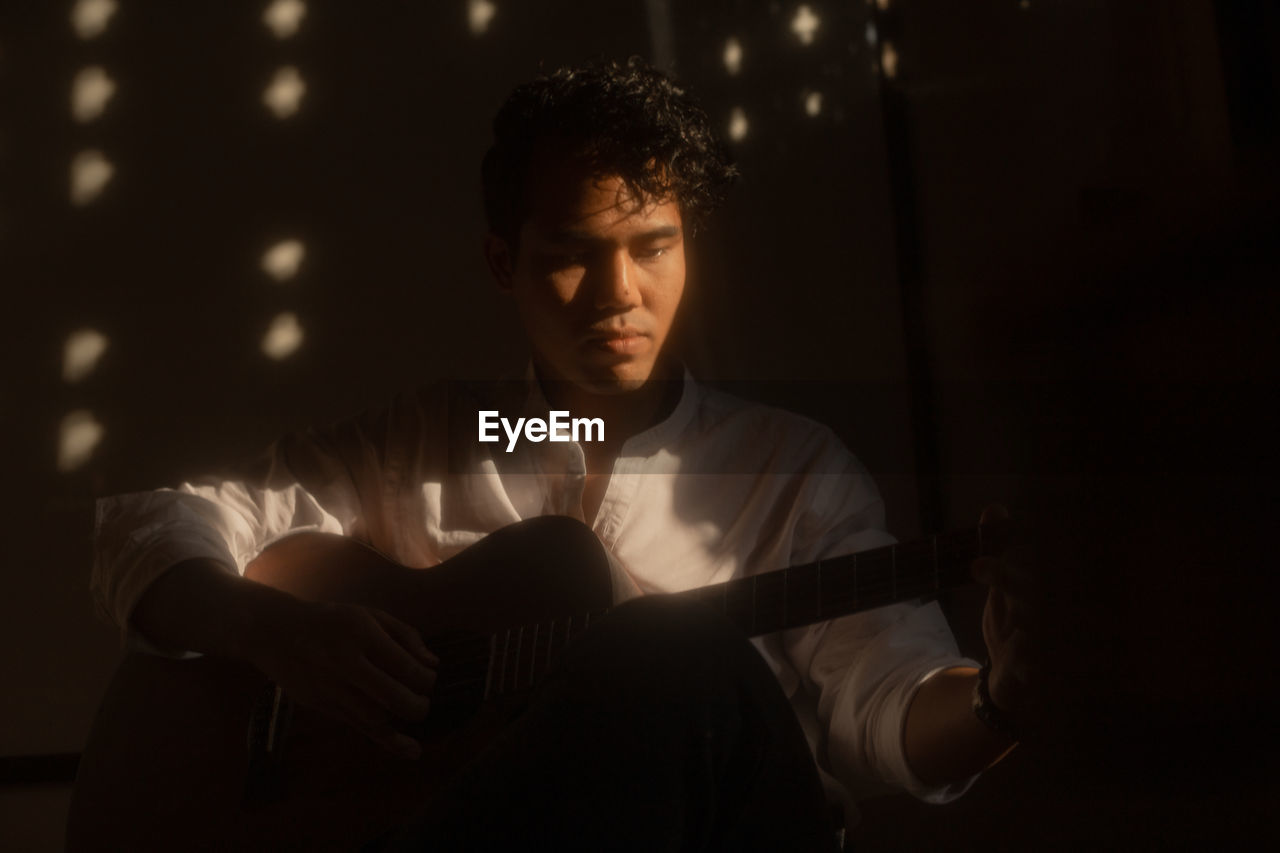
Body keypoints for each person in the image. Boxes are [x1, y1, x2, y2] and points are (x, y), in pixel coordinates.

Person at [91, 58, 1025, 849]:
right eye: (573, 253)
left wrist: (1002, 702)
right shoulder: (426, 443)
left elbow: (885, 703)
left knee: (676, 642)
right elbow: (156, 520)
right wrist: (270, 629)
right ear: (505, 261)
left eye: (654, 247)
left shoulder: (790, 469)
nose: (620, 294)